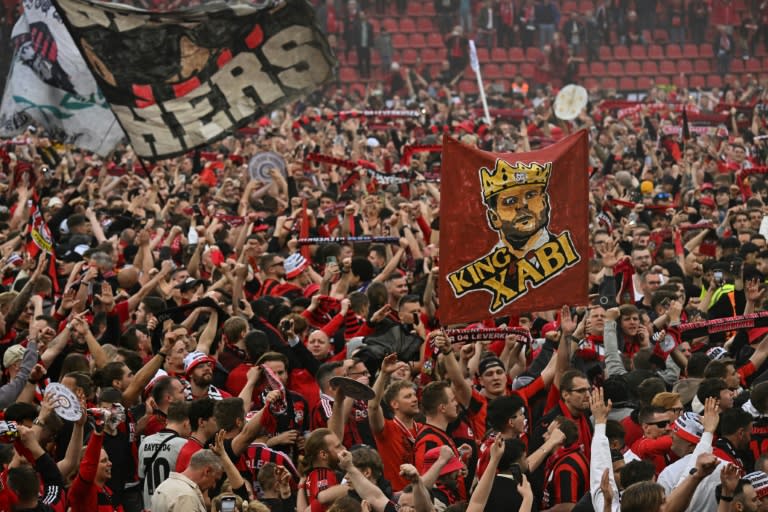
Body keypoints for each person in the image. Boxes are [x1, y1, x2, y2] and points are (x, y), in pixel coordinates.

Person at [150, 449, 224, 512]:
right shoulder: (186, 496)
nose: (214, 486)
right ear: (207, 471)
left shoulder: (164, 485)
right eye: (216, 480)